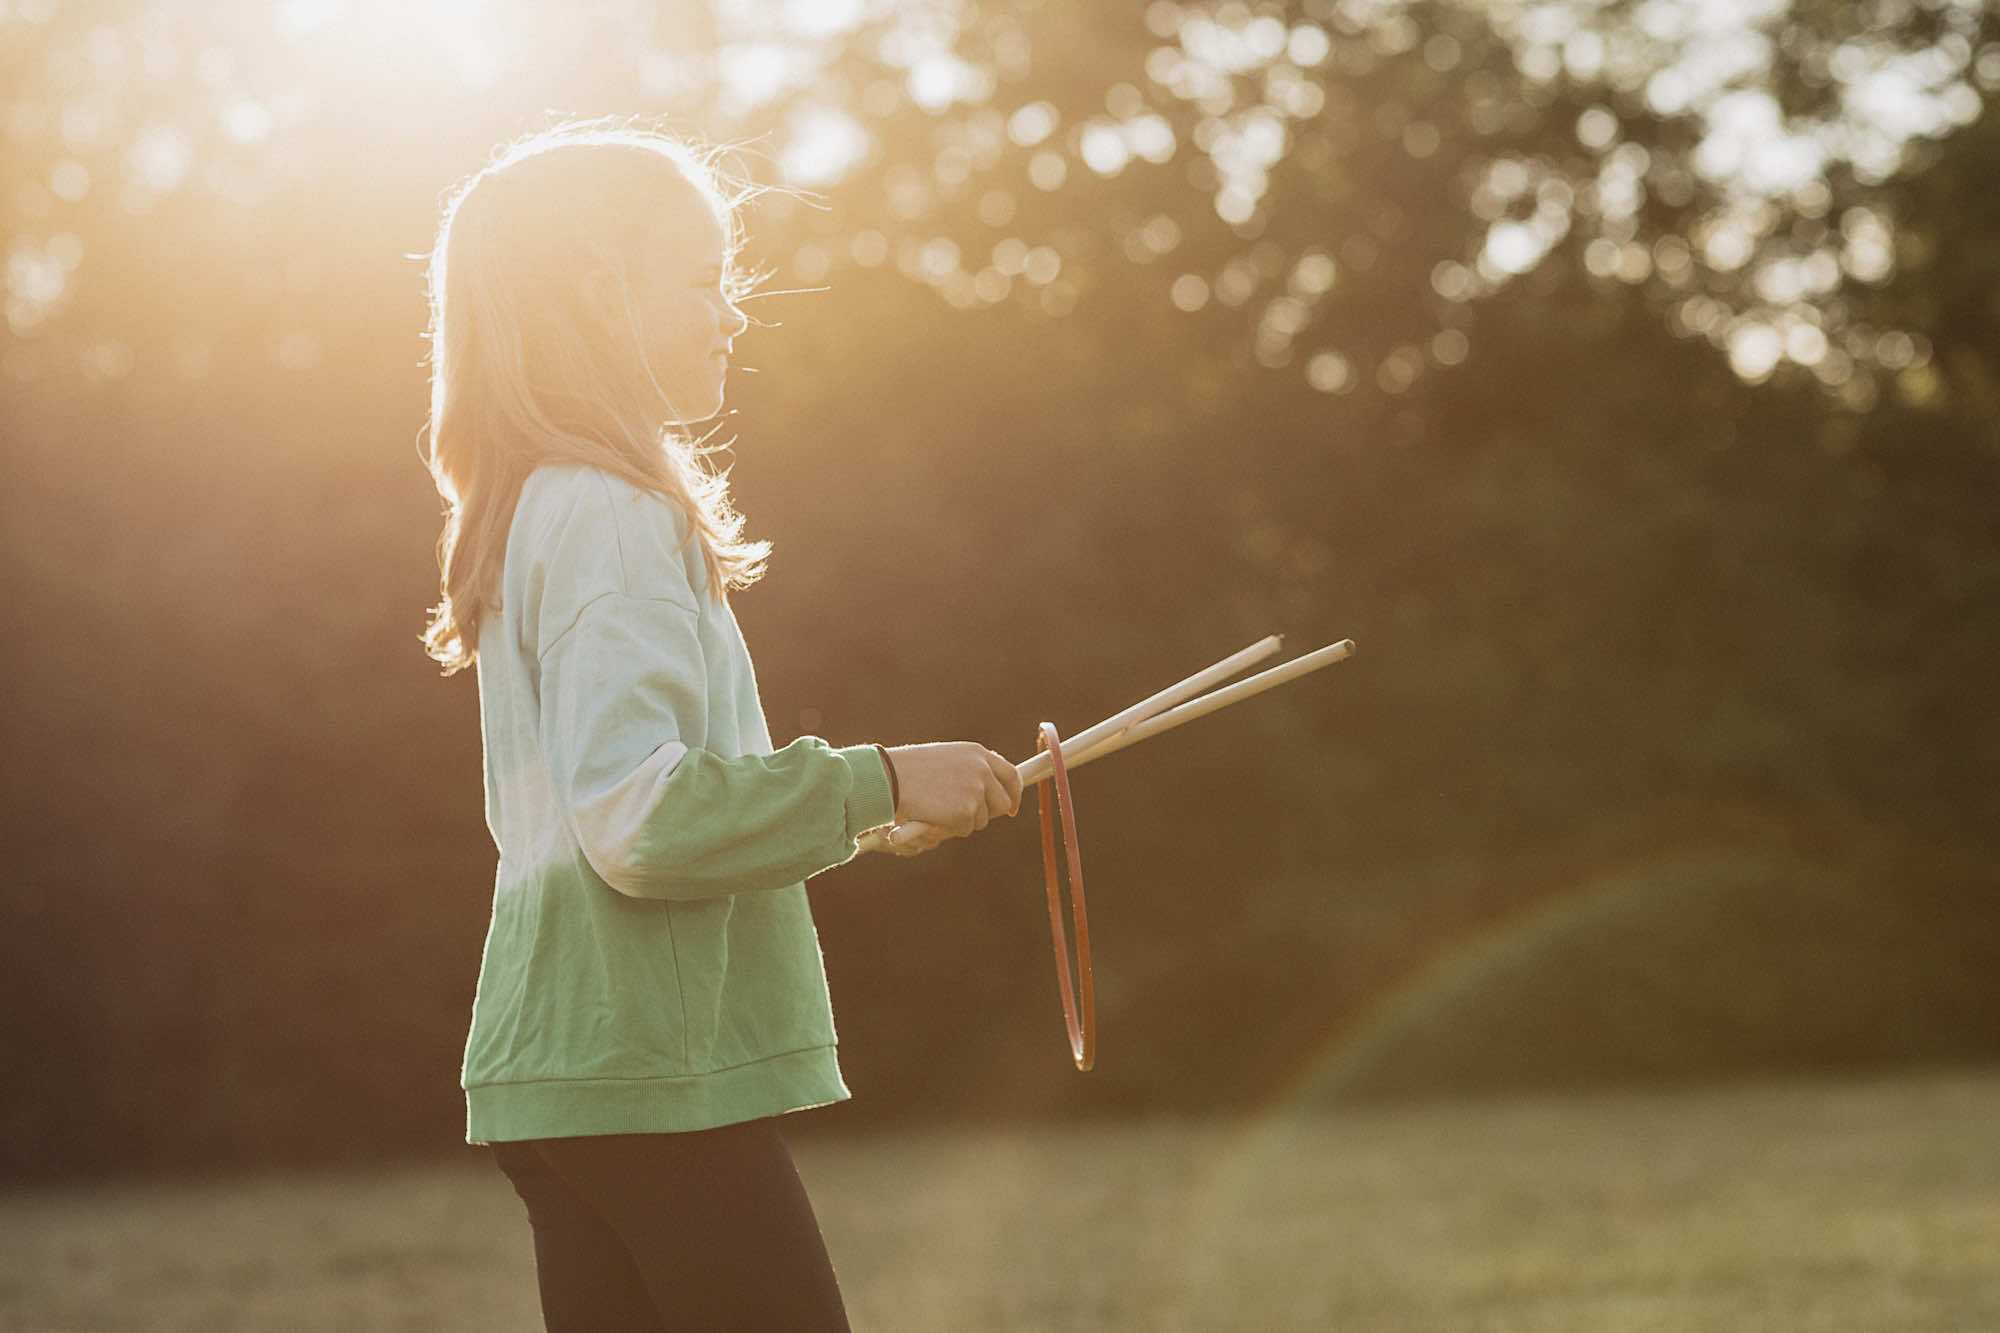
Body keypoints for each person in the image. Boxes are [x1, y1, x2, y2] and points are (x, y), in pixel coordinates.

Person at [416, 118, 1023, 1332]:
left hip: (570, 1064)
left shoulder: (543, 503)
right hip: (645, 1074)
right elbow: (640, 821)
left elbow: (630, 797)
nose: (733, 314)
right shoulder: (610, 515)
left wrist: (862, 814)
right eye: (704, 283)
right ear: (601, 300)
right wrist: (880, 777)